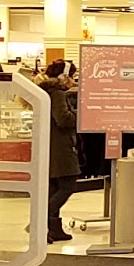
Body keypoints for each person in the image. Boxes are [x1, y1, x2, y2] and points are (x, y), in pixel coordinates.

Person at [39, 61, 80, 243]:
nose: (73, 80)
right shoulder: (58, 94)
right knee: (67, 186)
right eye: (72, 76)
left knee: (54, 188)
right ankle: (40, 221)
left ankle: (53, 228)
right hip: (62, 148)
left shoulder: (46, 92)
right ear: (64, 77)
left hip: (51, 146)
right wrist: (81, 116)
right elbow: (63, 119)